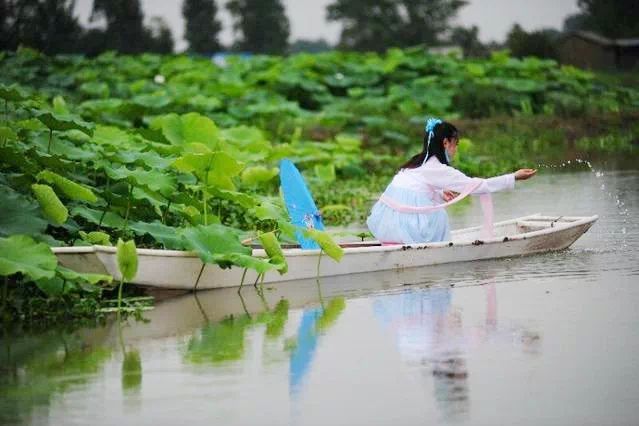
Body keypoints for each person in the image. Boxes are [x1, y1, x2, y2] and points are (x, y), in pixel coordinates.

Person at [366, 118, 536, 244]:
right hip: (408, 226)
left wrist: (439, 193)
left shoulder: (416, 162)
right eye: (456, 144)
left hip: (389, 223)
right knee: (439, 216)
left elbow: (415, 189)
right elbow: (477, 186)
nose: (456, 149)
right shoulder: (438, 169)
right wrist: (513, 177)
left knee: (436, 210)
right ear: (445, 142)